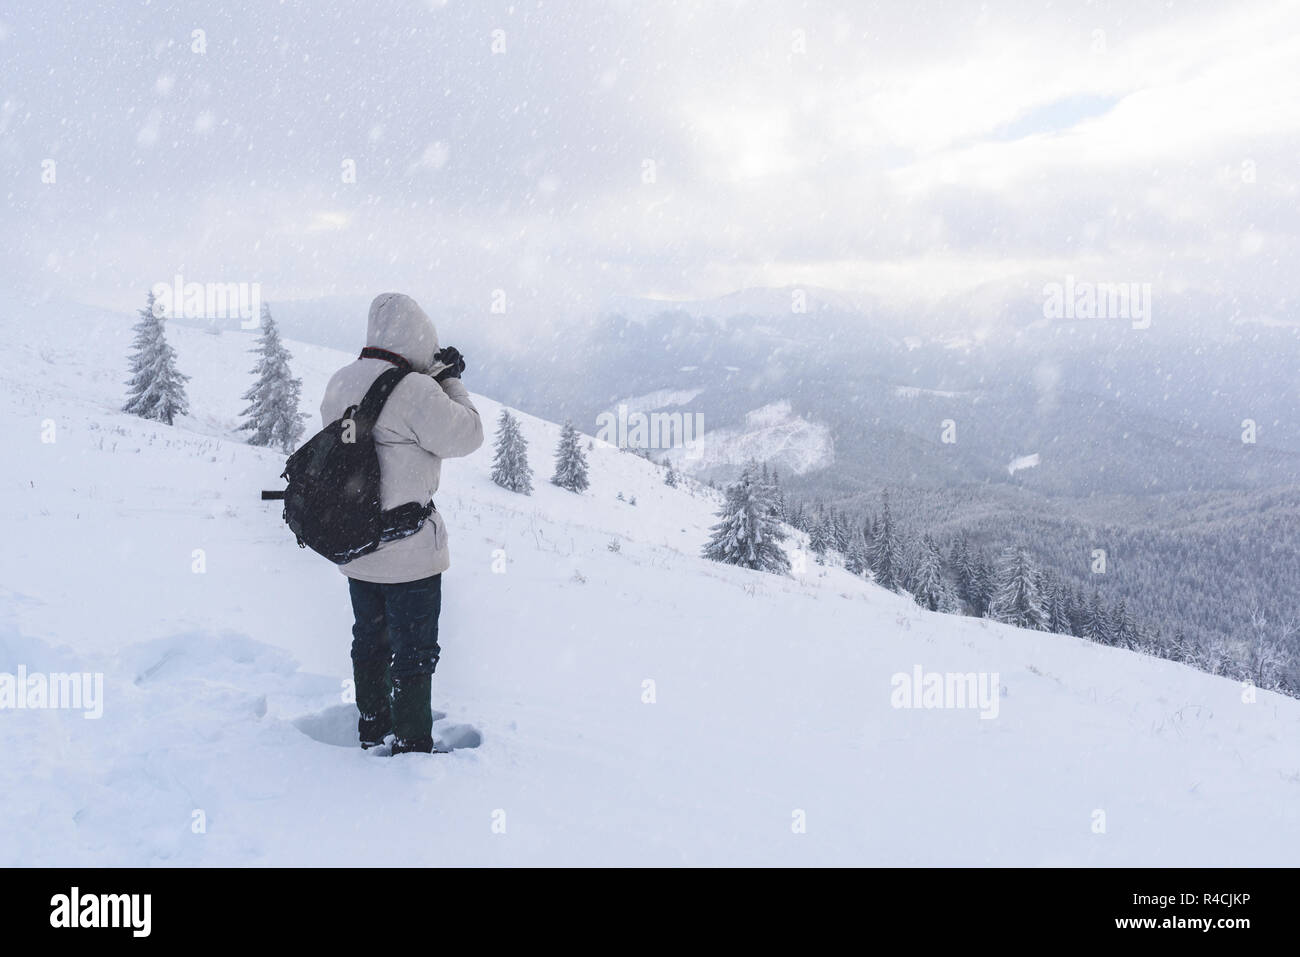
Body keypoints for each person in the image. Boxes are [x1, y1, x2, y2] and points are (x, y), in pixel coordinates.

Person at [320, 293, 483, 754]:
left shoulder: (339, 382)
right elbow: (468, 433)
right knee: (413, 653)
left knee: (369, 640)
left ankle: (372, 726)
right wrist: (448, 381)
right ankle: (412, 744)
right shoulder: (417, 391)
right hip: (410, 553)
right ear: (419, 335)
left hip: (358, 544)